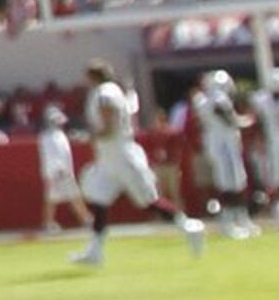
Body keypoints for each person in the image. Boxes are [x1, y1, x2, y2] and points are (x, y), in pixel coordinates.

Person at [69, 59, 205, 266]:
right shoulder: (109, 91)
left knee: (147, 201)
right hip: (110, 157)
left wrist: (91, 136)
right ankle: (95, 250)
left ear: (92, 76)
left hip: (120, 154)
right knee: (99, 201)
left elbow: (109, 122)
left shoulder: (106, 93)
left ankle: (188, 226)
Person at [188, 67, 259, 237]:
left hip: (215, 142)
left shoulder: (202, 100)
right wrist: (249, 120)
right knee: (231, 183)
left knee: (231, 182)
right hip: (224, 144)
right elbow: (230, 121)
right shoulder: (218, 99)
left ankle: (239, 218)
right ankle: (229, 222)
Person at [35, 105, 83, 234]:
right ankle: (49, 224)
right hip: (56, 173)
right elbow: (51, 156)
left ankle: (86, 219)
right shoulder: (47, 137)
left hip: (64, 172)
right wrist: (56, 171)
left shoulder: (59, 135)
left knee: (70, 196)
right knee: (55, 198)